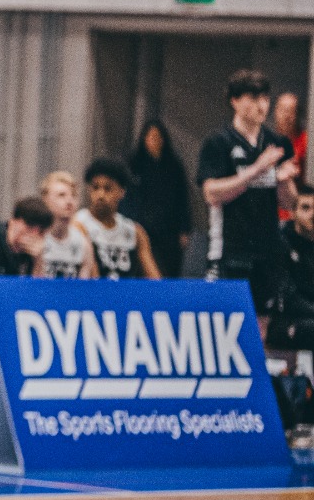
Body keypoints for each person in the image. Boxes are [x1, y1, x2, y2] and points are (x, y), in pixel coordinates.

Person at [198, 69, 299, 328]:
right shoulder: (218, 143)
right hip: (231, 248)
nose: (261, 105)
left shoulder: (276, 143)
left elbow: (289, 204)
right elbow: (211, 193)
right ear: (234, 100)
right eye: (253, 98)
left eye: (265, 98)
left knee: (262, 324)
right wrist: (257, 170)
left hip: (268, 247)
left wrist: (283, 180)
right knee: (229, 324)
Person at [124, 120, 192, 278]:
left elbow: (182, 199)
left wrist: (185, 228)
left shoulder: (174, 166)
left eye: (158, 137)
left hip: (169, 229)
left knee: (169, 270)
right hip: (143, 226)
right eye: (151, 137)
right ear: (144, 139)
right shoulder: (134, 164)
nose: (154, 141)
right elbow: (128, 198)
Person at [76, 158, 161, 280]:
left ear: (122, 192)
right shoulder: (79, 223)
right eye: (95, 187)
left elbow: (155, 279)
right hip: (93, 290)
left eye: (107, 188)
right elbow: (92, 277)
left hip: (125, 291)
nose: (100, 195)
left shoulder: (135, 232)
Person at [269, 185, 314, 349]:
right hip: (286, 320)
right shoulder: (280, 244)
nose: (312, 214)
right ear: (293, 213)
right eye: (306, 208)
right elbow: (288, 298)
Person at [0, 196, 54, 278]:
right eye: (30, 226)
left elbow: (36, 286)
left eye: (41, 231)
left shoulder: (31, 253)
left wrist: (38, 261)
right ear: (13, 221)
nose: (34, 235)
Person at [38, 171, 96, 279]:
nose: (69, 201)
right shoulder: (36, 237)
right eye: (61, 195)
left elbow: (84, 285)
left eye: (73, 195)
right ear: (45, 200)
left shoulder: (83, 243)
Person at [274, 92, 306, 182]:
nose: (286, 116)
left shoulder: (306, 141)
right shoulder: (267, 139)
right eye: (282, 110)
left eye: (291, 111)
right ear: (275, 112)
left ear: (298, 115)